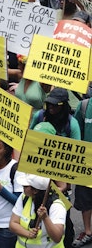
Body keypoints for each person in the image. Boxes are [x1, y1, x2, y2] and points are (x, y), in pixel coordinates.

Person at [10, 173, 66, 247]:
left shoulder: (56, 205)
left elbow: (57, 237)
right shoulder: (24, 197)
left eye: (25, 186)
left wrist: (45, 218)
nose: (22, 188)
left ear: (35, 191)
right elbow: (12, 224)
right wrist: (28, 233)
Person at [73, 94, 92, 248]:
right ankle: (87, 231)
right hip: (86, 162)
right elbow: (76, 134)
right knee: (85, 198)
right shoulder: (85, 106)